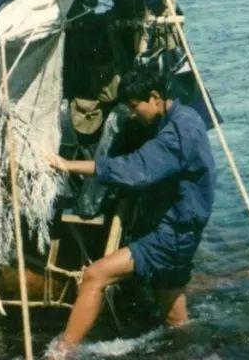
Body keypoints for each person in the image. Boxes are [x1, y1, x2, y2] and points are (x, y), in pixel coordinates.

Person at [47, 67, 216, 355]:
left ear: (155, 97)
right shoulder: (186, 117)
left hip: (172, 235)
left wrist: (67, 165)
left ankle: (61, 352)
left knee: (95, 276)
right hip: (183, 232)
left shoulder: (179, 131)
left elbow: (135, 170)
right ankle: (199, 352)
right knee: (176, 320)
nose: (134, 115)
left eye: (135, 107)